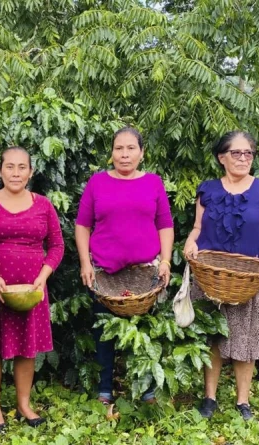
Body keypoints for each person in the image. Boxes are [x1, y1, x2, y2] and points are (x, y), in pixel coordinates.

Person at [183, 131, 259, 421]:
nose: (243, 158)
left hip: (250, 279)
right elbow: (199, 228)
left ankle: (242, 401)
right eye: (236, 153)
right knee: (212, 337)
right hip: (211, 275)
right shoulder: (208, 190)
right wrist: (189, 242)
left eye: (248, 153)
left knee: (244, 341)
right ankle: (209, 398)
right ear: (221, 158)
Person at [75, 126, 174, 405]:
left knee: (144, 333)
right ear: (111, 153)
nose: (125, 154)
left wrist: (165, 261)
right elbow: (82, 225)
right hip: (105, 272)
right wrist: (85, 263)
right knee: (103, 331)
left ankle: (146, 391)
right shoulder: (97, 183)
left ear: (141, 153)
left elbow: (165, 224)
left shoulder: (153, 183)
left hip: (145, 273)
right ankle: (105, 389)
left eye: (131, 148)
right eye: (119, 148)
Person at [0, 146, 65, 432]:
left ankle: (24, 403)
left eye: (21, 167)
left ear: (30, 172)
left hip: (32, 288)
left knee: (28, 347)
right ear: (0, 170)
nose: (15, 172)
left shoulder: (43, 205)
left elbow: (57, 245)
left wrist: (44, 275)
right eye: (9, 166)